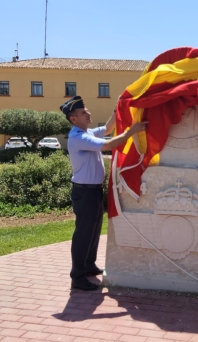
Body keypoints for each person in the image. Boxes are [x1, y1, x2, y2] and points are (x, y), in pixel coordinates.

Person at [60, 96, 148, 291]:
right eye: (83, 112)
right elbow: (108, 144)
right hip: (84, 193)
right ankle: (78, 275)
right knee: (84, 234)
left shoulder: (88, 132)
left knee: (93, 231)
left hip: (93, 191)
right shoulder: (78, 138)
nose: (88, 113)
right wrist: (130, 132)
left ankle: (89, 266)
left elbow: (108, 128)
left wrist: (119, 106)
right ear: (74, 118)